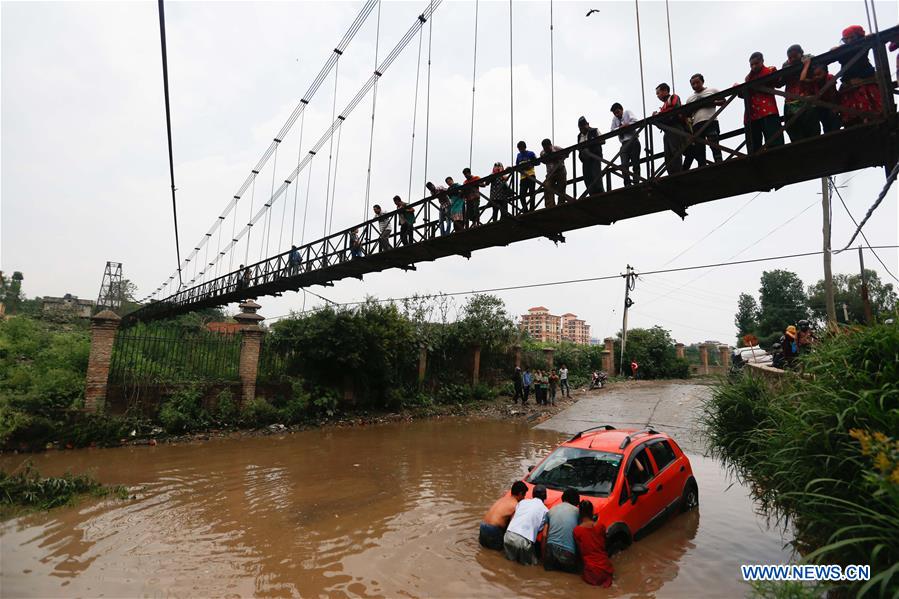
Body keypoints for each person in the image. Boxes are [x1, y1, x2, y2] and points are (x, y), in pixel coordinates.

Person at [837, 25, 883, 127]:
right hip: (849, 87)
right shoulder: (844, 50)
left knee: (870, 109)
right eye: (846, 39)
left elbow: (871, 38)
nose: (849, 41)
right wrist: (836, 49)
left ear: (858, 36)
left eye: (852, 38)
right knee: (852, 115)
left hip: (865, 84)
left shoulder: (863, 45)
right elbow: (833, 52)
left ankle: (869, 123)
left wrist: (870, 37)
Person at [740, 52, 782, 153]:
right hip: (753, 113)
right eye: (751, 65)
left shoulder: (770, 70)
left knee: (774, 140)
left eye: (756, 63)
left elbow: (778, 84)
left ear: (762, 61)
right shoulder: (748, 78)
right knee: (754, 144)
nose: (754, 66)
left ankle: (776, 153)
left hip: (768, 110)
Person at [782, 44, 820, 143]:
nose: (793, 59)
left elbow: (819, 69)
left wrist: (806, 64)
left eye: (795, 56)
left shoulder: (809, 60)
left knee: (811, 125)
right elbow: (779, 82)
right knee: (792, 127)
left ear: (801, 54)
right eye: (790, 57)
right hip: (790, 101)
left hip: (806, 97)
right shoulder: (786, 65)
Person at [684, 74, 724, 167]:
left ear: (702, 81)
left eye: (697, 82)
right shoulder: (690, 98)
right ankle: (701, 165)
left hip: (711, 120)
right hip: (696, 124)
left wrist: (711, 103)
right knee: (699, 147)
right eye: (693, 84)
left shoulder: (712, 91)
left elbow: (723, 101)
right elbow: (687, 114)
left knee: (713, 142)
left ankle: (719, 162)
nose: (695, 85)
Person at [503, 485, 548, 565]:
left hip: (508, 535)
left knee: (508, 563)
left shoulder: (522, 502)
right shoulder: (546, 510)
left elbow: (515, 516)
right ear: (545, 496)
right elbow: (540, 529)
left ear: (533, 494)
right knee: (530, 567)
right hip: (523, 540)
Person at [573, 500, 614, 587]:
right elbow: (604, 544)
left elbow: (579, 552)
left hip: (591, 571)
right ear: (592, 512)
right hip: (606, 568)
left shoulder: (577, 531)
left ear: (580, 514)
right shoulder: (601, 526)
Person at [480, 481, 528, 551]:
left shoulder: (502, 499)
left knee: (483, 550)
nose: (524, 498)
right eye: (524, 495)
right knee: (496, 554)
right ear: (520, 494)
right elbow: (512, 525)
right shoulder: (516, 505)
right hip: (493, 529)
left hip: (483, 526)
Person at [543, 488, 580, 573]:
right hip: (568, 553)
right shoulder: (577, 512)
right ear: (576, 501)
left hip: (550, 550)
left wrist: (544, 557)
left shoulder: (551, 509)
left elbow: (545, 535)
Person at [653, 83, 687, 175]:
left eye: (658, 93)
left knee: (675, 151)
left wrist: (659, 115)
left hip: (675, 128)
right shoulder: (664, 106)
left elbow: (675, 110)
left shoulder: (673, 97)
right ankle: (671, 173)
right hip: (667, 131)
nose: (657, 96)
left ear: (665, 91)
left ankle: (678, 173)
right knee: (668, 154)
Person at [800, 59, 840, 133]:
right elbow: (802, 80)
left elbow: (833, 94)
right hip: (822, 106)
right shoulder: (815, 81)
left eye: (819, 74)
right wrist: (806, 65)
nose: (816, 77)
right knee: (826, 126)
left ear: (826, 72)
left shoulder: (829, 77)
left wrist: (834, 108)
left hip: (833, 104)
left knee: (835, 124)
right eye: (814, 75)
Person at [610, 103, 641, 186]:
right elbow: (612, 130)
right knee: (624, 165)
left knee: (635, 163)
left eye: (617, 112)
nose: (617, 115)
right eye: (615, 113)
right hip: (624, 143)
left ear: (621, 109)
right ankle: (627, 183)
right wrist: (620, 128)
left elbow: (636, 122)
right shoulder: (615, 119)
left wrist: (628, 125)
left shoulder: (627, 112)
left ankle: (636, 182)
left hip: (633, 141)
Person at [577, 116, 604, 196]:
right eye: (580, 128)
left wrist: (590, 147)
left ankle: (600, 193)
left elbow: (603, 140)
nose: (582, 129)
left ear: (587, 124)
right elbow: (578, 148)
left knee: (596, 175)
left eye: (583, 126)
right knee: (587, 177)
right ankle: (591, 193)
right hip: (585, 160)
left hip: (595, 157)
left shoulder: (594, 131)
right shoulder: (579, 136)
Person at [540, 138, 568, 208]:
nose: (546, 150)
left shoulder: (557, 148)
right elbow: (543, 160)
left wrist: (558, 156)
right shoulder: (543, 153)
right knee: (547, 187)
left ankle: (561, 204)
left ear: (551, 145)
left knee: (562, 186)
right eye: (544, 148)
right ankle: (550, 206)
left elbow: (567, 153)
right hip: (550, 173)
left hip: (560, 171)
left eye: (547, 148)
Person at [515, 141, 538, 212]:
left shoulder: (531, 153)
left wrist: (530, 165)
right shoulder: (518, 155)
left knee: (532, 193)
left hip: (531, 175)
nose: (520, 150)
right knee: (521, 195)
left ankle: (532, 210)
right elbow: (517, 166)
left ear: (525, 147)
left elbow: (537, 162)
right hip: (523, 178)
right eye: (519, 148)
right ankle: (525, 210)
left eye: (521, 148)